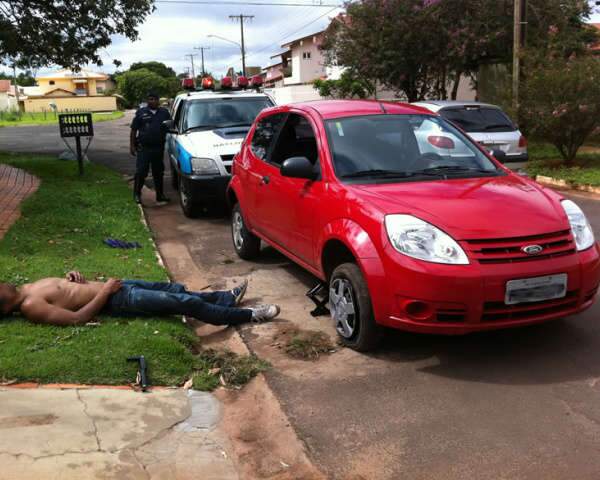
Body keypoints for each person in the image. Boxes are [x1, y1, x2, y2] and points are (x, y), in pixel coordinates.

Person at [0, 272, 280, 327]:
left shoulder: (27, 288)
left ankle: (224, 298)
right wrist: (105, 292)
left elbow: (65, 294)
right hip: (119, 299)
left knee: (176, 290)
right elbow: (76, 318)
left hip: (116, 287)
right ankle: (247, 316)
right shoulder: (29, 306)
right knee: (186, 305)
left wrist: (71, 277)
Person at [130, 92, 171, 205]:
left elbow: (170, 127)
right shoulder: (141, 112)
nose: (151, 101)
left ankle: (160, 195)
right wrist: (132, 145)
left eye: (153, 99)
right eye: (149, 99)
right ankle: (137, 195)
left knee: (158, 172)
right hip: (144, 148)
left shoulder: (164, 112)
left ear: (158, 101)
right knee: (141, 172)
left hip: (158, 148)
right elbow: (134, 129)